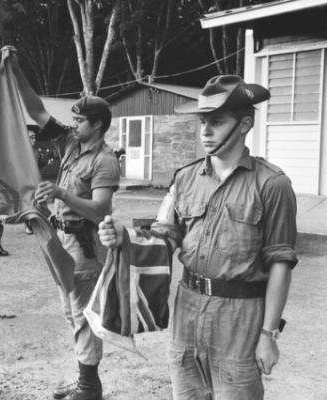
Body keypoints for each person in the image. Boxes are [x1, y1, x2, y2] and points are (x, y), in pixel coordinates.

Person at [98, 75, 298, 400]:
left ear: (245, 124)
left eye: (216, 122)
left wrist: (267, 334)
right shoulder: (185, 178)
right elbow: (165, 236)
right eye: (203, 121)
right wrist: (124, 237)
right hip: (187, 307)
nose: (204, 130)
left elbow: (281, 264)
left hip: (240, 315)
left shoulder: (272, 185)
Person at [16, 69, 120, 399]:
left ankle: (89, 388)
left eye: (80, 121)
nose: (74, 126)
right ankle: (84, 379)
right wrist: (17, 72)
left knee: (84, 316)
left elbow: (101, 209)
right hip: (61, 241)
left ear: (98, 125)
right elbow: (36, 111)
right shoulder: (71, 144)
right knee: (70, 313)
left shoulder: (105, 161)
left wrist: (62, 195)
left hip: (84, 246)